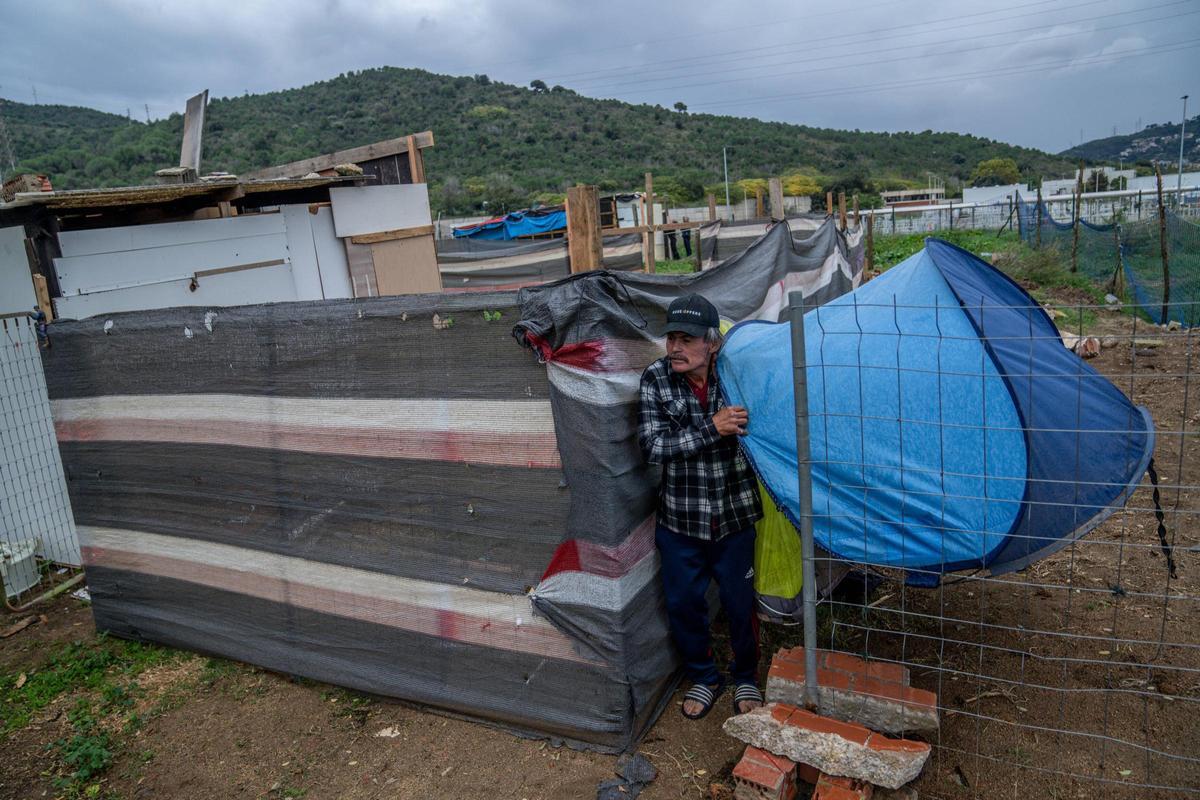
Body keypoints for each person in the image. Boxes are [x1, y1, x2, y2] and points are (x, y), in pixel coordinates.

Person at [637, 293, 764, 720]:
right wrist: (713, 428)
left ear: (712, 343)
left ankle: (746, 675)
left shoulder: (736, 374)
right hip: (680, 520)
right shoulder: (656, 378)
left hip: (734, 514)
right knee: (684, 604)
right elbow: (653, 447)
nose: (675, 347)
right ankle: (704, 677)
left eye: (687, 339)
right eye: (671, 337)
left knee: (740, 602)